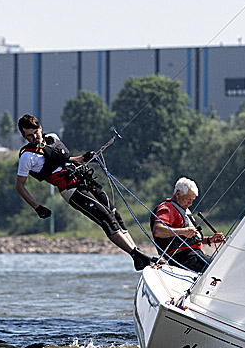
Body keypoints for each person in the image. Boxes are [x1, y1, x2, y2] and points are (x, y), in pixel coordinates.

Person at [14, 114, 152, 271]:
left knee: (114, 215)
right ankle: (135, 255)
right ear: (24, 136)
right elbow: (20, 186)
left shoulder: (52, 138)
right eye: (28, 136)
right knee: (106, 219)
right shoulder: (27, 156)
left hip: (84, 181)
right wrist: (37, 207)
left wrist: (84, 158)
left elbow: (66, 160)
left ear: (40, 128)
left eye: (35, 133)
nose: (33, 137)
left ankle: (139, 255)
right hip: (71, 190)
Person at [151, 177, 224, 273]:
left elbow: (190, 240)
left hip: (193, 256)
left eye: (192, 200)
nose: (190, 203)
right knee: (222, 268)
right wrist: (183, 231)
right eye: (188, 199)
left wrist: (210, 240)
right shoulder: (167, 208)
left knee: (223, 264)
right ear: (178, 193)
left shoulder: (183, 210)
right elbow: (158, 230)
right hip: (183, 258)